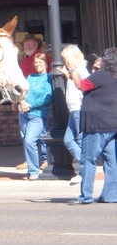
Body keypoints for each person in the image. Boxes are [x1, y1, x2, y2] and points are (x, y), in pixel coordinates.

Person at [68, 47, 117, 205]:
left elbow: (82, 85)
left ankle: (86, 196)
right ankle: (110, 195)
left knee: (88, 160)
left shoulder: (101, 75)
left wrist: (74, 76)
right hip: (112, 125)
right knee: (111, 162)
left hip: (96, 124)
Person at [16, 52, 53, 180]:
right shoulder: (31, 77)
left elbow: (46, 98)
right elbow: (23, 90)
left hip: (38, 115)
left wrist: (29, 105)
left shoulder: (49, 78)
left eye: (40, 62)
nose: (37, 65)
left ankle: (35, 171)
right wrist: (21, 102)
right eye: (36, 63)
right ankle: (32, 170)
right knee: (27, 142)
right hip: (24, 114)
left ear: (46, 64)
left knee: (30, 140)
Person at [58, 45, 90, 185]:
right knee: (68, 140)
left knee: (80, 140)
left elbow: (87, 85)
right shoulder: (73, 71)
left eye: (64, 58)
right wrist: (68, 76)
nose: (63, 60)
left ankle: (85, 171)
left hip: (79, 108)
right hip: (74, 110)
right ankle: (86, 166)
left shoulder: (81, 69)